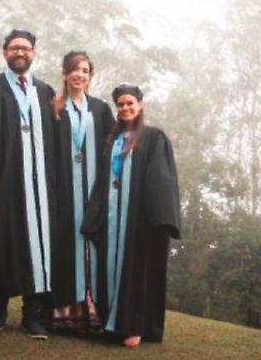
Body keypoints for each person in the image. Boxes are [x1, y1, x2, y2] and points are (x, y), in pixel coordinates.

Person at [82, 84, 181, 348]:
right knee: (110, 269)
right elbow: (102, 179)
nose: (125, 108)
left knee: (137, 272)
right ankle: (112, 323)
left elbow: (161, 179)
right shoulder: (112, 139)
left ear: (140, 105)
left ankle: (135, 327)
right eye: (121, 104)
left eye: (130, 103)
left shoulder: (153, 137)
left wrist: (158, 219)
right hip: (112, 217)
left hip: (139, 219)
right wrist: (94, 215)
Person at [0, 29, 57, 339]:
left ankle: (32, 314)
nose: (20, 52)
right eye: (14, 48)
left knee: (39, 245)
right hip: (4, 179)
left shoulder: (45, 91)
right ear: (5, 53)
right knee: (1, 239)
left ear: (33, 54)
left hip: (40, 183)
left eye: (25, 48)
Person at [48, 52, 115, 333]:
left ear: (90, 77)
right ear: (65, 73)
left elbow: (112, 147)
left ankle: (91, 308)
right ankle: (64, 311)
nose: (80, 75)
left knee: (92, 247)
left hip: (92, 193)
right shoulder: (53, 107)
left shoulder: (100, 109)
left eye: (85, 71)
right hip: (62, 192)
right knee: (64, 247)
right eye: (75, 69)